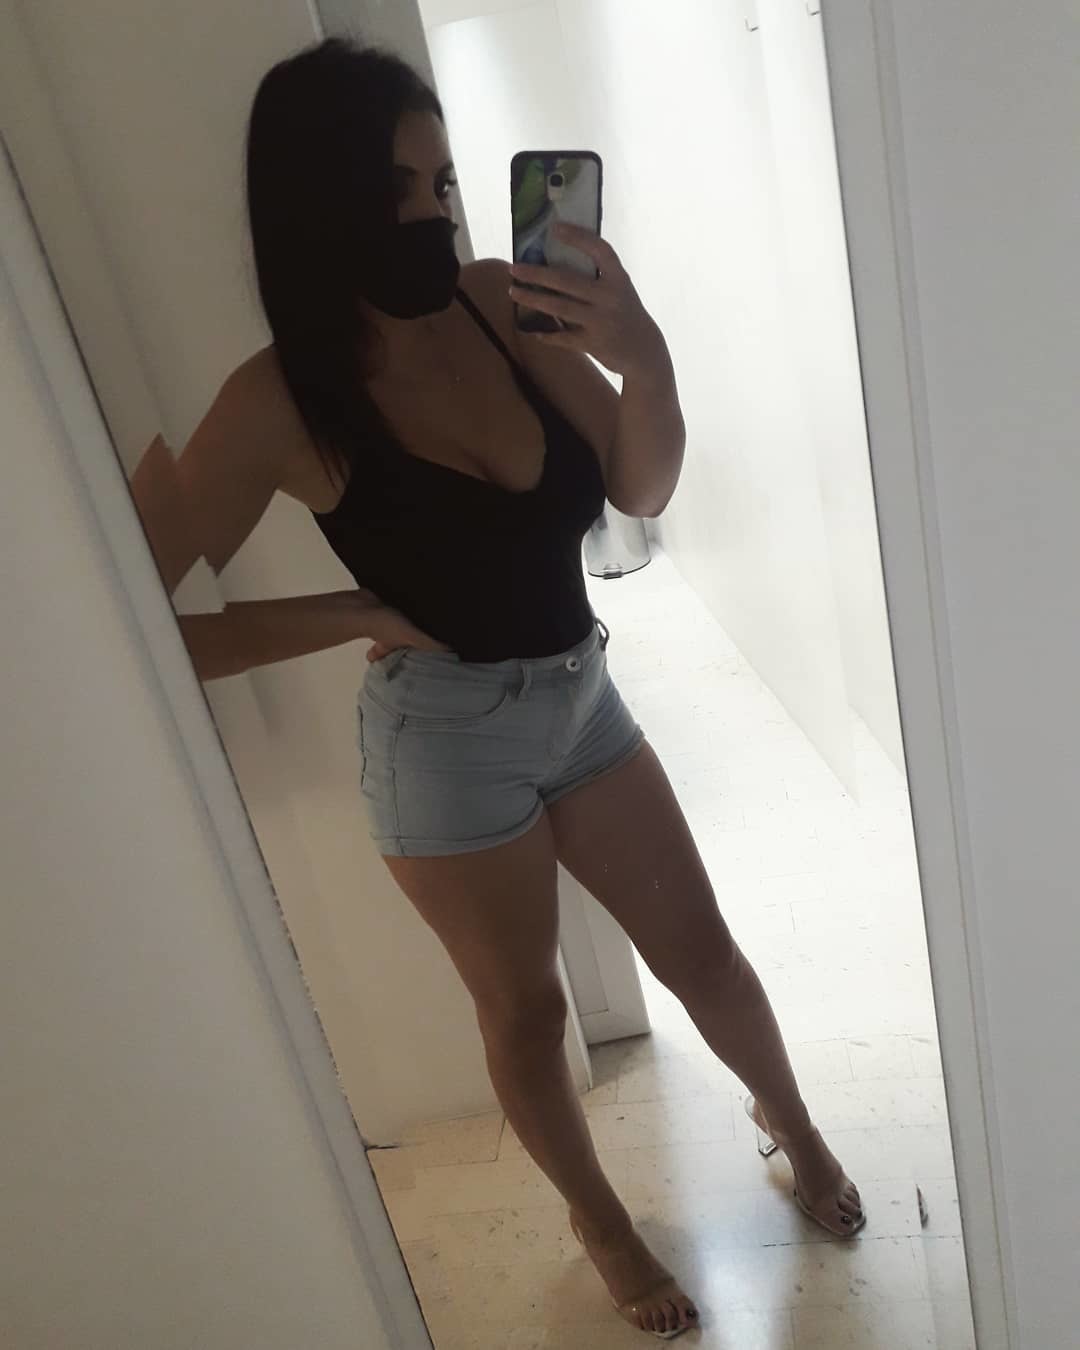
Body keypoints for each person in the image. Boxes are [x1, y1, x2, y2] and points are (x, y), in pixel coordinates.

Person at [162, 38, 864, 1340]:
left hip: (580, 696)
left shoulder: (497, 302)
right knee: (529, 1013)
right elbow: (139, 623)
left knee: (704, 951)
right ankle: (602, 1223)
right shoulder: (277, 402)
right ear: (320, 202)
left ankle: (797, 1128)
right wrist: (357, 613)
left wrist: (645, 357)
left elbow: (639, 484)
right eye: (397, 187)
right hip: (442, 744)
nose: (432, 212)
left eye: (441, 182)